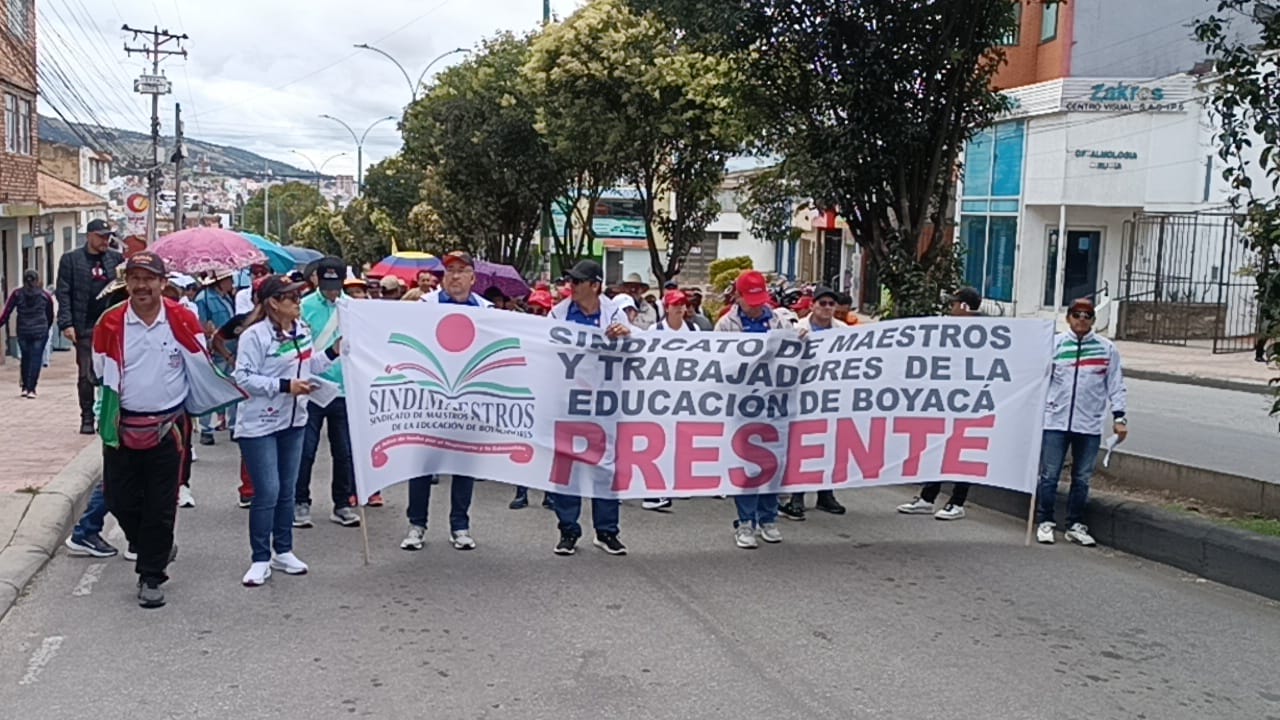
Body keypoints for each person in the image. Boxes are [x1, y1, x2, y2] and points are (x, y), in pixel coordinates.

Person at [92, 251, 244, 607]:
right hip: (121, 422)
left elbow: (200, 362)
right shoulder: (110, 322)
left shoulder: (180, 318)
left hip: (169, 426)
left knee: (161, 504)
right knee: (118, 499)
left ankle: (151, 575)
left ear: (163, 282)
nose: (142, 285)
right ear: (126, 282)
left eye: (149, 278)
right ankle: (151, 546)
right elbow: (99, 371)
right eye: (135, 278)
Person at [233, 274, 342, 586]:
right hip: (259, 424)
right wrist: (284, 386)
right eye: (291, 297)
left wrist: (334, 352)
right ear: (273, 303)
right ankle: (259, 557)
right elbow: (243, 377)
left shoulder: (302, 330)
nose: (297, 302)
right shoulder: (254, 336)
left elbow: (311, 364)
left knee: (287, 489)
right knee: (267, 489)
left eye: (298, 296)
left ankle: (283, 550)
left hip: (294, 421)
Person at [400, 251, 494, 552]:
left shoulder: (487, 310)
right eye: (449, 270)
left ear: (472, 277)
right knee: (422, 463)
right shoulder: (424, 306)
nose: (454, 276)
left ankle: (460, 525)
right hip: (430, 397)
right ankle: (417, 524)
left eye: (461, 270)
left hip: (469, 398)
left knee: (464, 462)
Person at [548, 259, 632, 556]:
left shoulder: (614, 313)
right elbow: (547, 352)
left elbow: (633, 354)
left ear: (594, 285)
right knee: (567, 466)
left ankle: (607, 531)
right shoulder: (557, 313)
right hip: (568, 401)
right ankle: (568, 530)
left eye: (577, 281)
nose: (570, 286)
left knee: (605, 466)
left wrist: (625, 337)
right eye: (570, 280)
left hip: (604, 403)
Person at [1035, 298, 1128, 546]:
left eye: (1087, 315)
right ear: (1068, 318)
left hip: (1088, 424)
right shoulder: (1054, 345)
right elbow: (1038, 380)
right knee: (1049, 474)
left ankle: (1074, 524)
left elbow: (1116, 386)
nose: (1081, 319)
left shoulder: (1106, 349)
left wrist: (1120, 417)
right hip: (1055, 421)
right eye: (1076, 314)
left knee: (1082, 477)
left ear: (1093, 321)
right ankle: (1045, 521)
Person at [715, 270, 791, 549]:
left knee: (773, 462)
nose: (756, 305)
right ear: (738, 296)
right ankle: (745, 522)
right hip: (742, 405)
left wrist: (801, 339)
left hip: (774, 404)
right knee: (747, 464)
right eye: (751, 299)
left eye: (760, 298)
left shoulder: (779, 320)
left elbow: (793, 355)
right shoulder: (726, 325)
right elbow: (719, 364)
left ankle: (768, 518)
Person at [897, 286, 984, 521]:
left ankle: (957, 501)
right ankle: (928, 497)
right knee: (940, 448)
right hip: (946, 401)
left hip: (970, 403)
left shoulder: (986, 333)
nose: (950, 308)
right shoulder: (949, 329)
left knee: (962, 452)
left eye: (954, 303)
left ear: (965, 306)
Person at [294, 257, 362, 530]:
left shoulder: (352, 308)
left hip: (344, 389)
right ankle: (300, 501)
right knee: (306, 450)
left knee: (343, 451)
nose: (332, 291)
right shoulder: (304, 306)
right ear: (316, 281)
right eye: (326, 285)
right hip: (312, 387)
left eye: (336, 285)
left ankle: (342, 503)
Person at [781, 286, 849, 520]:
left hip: (829, 399)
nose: (828, 308)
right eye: (823, 304)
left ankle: (825, 494)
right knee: (803, 447)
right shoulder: (798, 329)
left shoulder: (844, 331)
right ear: (812, 306)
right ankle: (797, 497)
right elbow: (784, 363)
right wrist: (795, 345)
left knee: (828, 447)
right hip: (803, 398)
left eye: (832, 304)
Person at [56, 218, 124, 434]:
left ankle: (114, 414)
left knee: (115, 372)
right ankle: (87, 417)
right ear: (90, 236)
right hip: (84, 325)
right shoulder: (71, 260)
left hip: (111, 325)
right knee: (86, 373)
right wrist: (66, 323)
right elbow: (63, 292)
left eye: (108, 236)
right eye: (101, 236)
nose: (106, 240)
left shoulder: (116, 259)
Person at [195, 269, 238, 445]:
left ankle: (234, 425)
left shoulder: (227, 297)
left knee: (233, 387)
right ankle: (206, 428)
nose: (231, 284)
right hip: (215, 350)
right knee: (211, 389)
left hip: (231, 347)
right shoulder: (203, 299)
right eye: (228, 280)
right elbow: (201, 326)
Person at [1, 269, 54, 398]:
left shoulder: (17, 294)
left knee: (25, 358)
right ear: (37, 280)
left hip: (23, 330)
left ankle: (24, 386)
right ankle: (32, 389)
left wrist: (1, 322)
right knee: (36, 359)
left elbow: (7, 311)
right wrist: (47, 327)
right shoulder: (45, 295)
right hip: (40, 330)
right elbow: (50, 313)